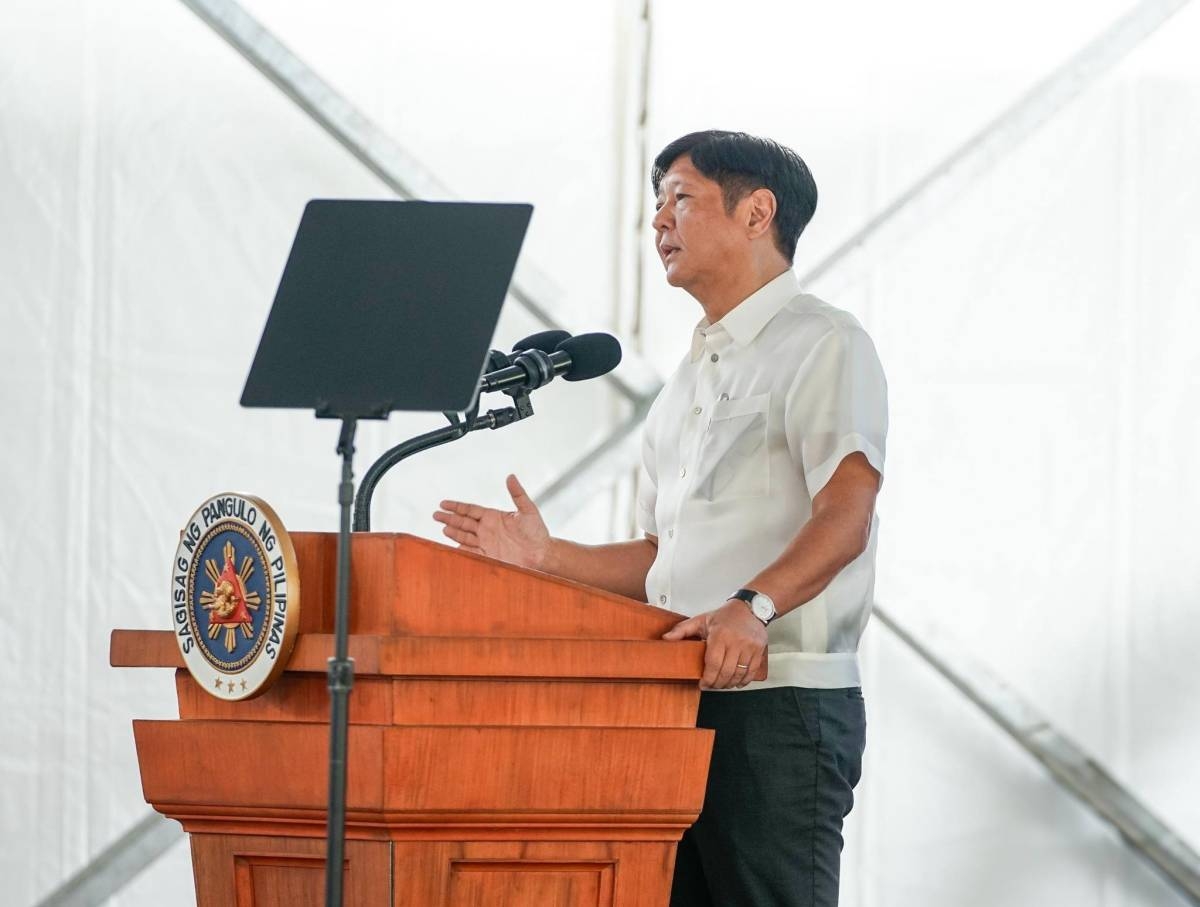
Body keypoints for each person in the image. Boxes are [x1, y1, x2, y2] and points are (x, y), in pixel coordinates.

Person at [434, 129, 887, 907]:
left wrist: (754, 606)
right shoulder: (685, 378)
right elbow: (659, 558)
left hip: (780, 708)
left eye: (681, 198)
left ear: (757, 213)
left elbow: (847, 513)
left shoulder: (824, 342)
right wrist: (548, 558)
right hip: (671, 700)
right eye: (655, 205)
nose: (658, 223)